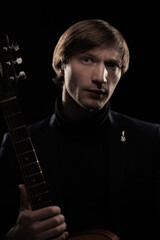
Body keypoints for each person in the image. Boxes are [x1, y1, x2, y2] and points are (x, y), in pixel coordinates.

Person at [0, 19, 160, 240]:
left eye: (112, 65)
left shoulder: (150, 139)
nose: (101, 78)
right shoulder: (19, 143)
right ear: (60, 66)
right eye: (87, 60)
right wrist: (15, 237)